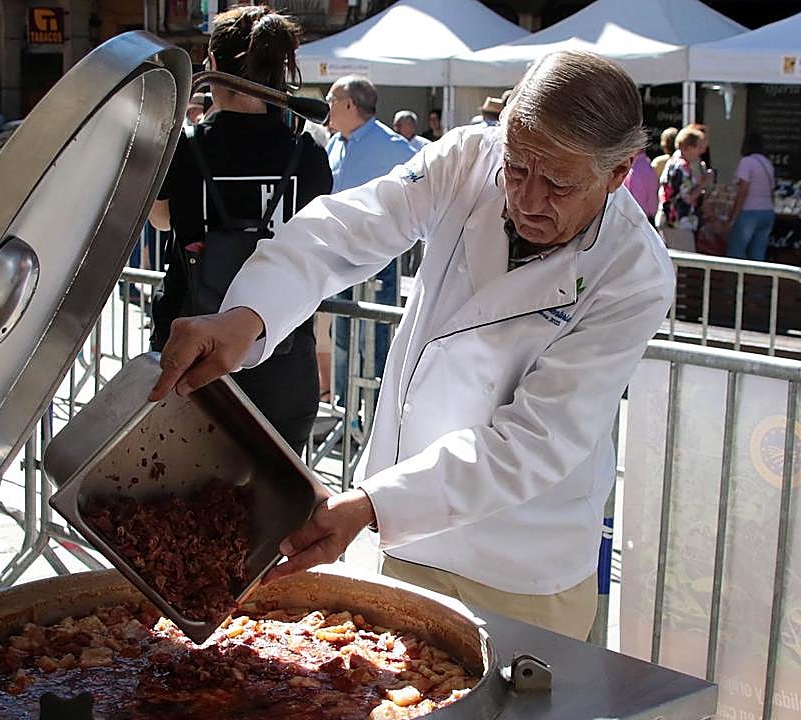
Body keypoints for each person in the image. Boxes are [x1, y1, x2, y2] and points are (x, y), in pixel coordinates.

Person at [149, 50, 674, 640]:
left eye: (557, 185)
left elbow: (533, 441)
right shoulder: (469, 158)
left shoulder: (635, 275)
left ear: (619, 173)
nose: (527, 200)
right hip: (404, 537)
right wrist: (246, 315)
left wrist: (373, 504)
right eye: (519, 169)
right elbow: (346, 227)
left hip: (521, 565)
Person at [146, 5, 332, 453]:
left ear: (212, 66)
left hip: (189, 356)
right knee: (272, 506)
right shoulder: (307, 153)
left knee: (186, 507)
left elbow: (160, 218)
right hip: (285, 359)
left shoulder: (184, 148)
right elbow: (318, 251)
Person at [324, 74, 415, 397]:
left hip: (378, 262)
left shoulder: (394, 148)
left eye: (331, 101)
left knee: (376, 336)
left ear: (349, 104)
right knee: (342, 333)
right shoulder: (334, 144)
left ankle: (374, 409)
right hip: (338, 257)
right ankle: (345, 409)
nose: (327, 108)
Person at [725, 133, 776, 262]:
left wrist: (733, 216)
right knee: (758, 254)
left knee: (736, 252)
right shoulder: (768, 163)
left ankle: (737, 281)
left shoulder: (747, 162)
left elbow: (743, 191)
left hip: (749, 212)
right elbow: (771, 191)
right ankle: (757, 281)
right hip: (767, 211)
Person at [657, 124, 708, 252]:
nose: (702, 151)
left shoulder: (675, 163)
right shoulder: (681, 167)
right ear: (688, 147)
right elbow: (687, 199)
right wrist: (705, 182)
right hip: (678, 224)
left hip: (674, 223)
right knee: (684, 266)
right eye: (698, 147)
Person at [623, 147, 658, 220]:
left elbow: (637, 204)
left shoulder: (635, 170)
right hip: (649, 217)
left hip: (639, 219)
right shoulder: (648, 166)